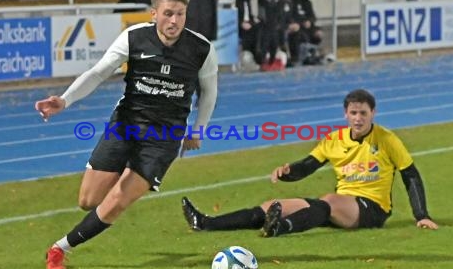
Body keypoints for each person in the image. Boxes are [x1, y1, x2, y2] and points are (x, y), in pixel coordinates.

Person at [36, 0, 219, 269]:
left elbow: (209, 91)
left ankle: (59, 248)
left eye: (180, 14)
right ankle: (129, 171)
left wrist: (199, 129)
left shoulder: (201, 49)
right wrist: (64, 100)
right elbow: (98, 73)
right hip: (126, 125)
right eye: (168, 14)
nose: (174, 21)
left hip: (163, 138)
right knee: (88, 200)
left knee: (117, 200)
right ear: (154, 14)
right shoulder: (134, 38)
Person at [182, 89, 438, 237]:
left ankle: (279, 228)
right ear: (345, 114)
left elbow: (410, 175)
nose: (358, 118)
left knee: (329, 200)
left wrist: (421, 215)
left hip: (372, 209)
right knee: (273, 204)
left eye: (363, 113)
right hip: (340, 205)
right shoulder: (333, 140)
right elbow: (308, 165)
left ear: (373, 113)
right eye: (353, 113)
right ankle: (205, 223)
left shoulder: (387, 139)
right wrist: (287, 172)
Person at [291, 0, 324, 65]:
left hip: (308, 26)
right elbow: (290, 16)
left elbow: (313, 16)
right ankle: (301, 57)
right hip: (297, 25)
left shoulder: (307, 2)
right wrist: (301, 23)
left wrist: (309, 21)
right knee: (301, 35)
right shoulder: (291, 1)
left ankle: (313, 54)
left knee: (318, 33)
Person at [257, 0, 282, 71]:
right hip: (266, 26)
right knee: (264, 45)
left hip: (275, 27)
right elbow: (262, 12)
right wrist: (264, 22)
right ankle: (263, 63)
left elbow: (279, 12)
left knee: (274, 45)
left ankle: (272, 62)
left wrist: (278, 23)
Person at [235, 0, 261, 70]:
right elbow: (232, 15)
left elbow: (253, 16)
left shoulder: (250, 0)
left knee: (259, 29)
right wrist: (241, 23)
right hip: (238, 25)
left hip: (249, 24)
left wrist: (251, 23)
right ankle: (247, 55)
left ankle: (257, 55)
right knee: (247, 34)